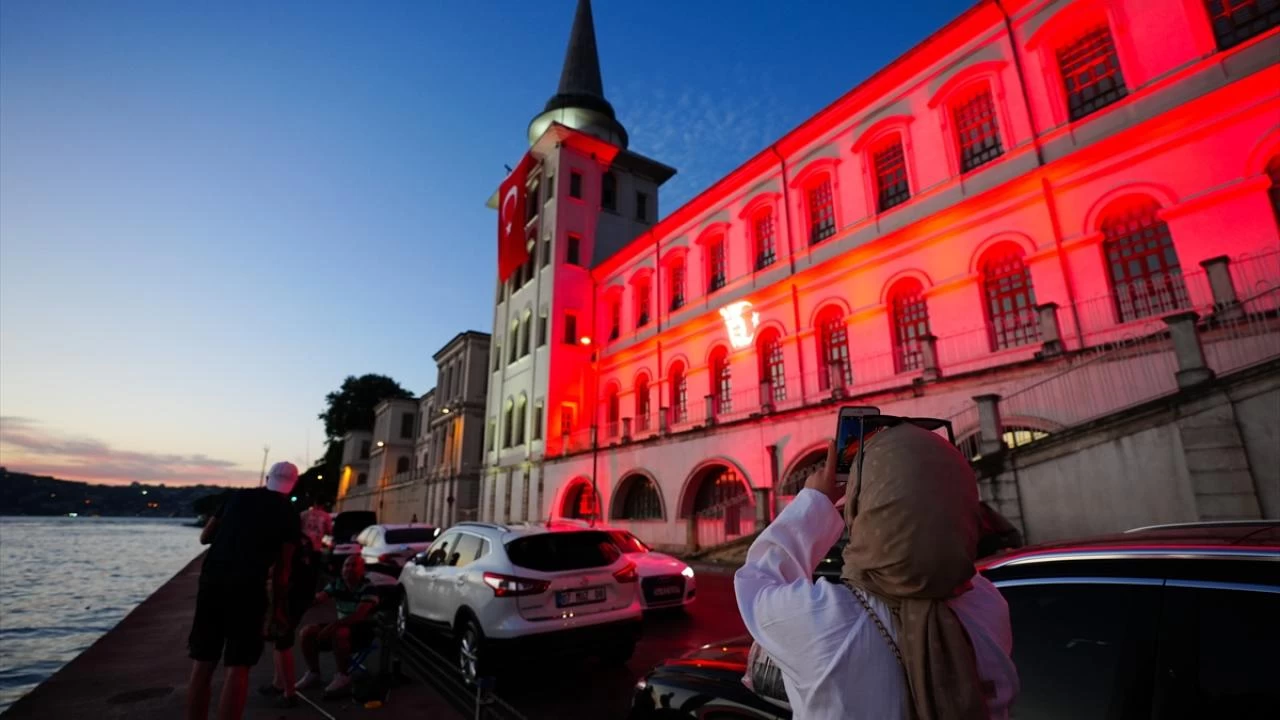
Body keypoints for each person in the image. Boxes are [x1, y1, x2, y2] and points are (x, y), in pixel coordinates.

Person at [735, 424, 1019, 720]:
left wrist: (815, 500)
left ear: (863, 508)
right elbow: (934, 544)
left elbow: (758, 578)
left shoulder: (823, 620)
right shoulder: (988, 608)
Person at [187, 462, 301, 720]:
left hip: (212, 583)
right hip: (248, 588)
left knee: (203, 663)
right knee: (237, 666)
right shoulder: (288, 513)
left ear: (268, 478)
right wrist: (279, 611)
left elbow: (205, 538)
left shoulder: (236, 497)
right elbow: (283, 571)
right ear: (293, 484)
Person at [296, 554, 380, 696]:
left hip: (362, 632)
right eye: (346, 565)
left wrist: (332, 626)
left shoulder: (368, 588)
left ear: (362, 570)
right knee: (307, 632)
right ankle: (314, 673)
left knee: (339, 632)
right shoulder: (337, 584)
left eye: (354, 565)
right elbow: (319, 598)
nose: (349, 568)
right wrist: (304, 597)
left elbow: (359, 616)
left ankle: (343, 675)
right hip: (340, 627)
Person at [258, 533, 320, 707]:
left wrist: (277, 606)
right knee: (280, 639)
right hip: (299, 594)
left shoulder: (284, 541)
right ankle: (279, 684)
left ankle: (289, 693)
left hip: (290, 596)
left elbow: (279, 570)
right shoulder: (300, 538)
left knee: (282, 641)